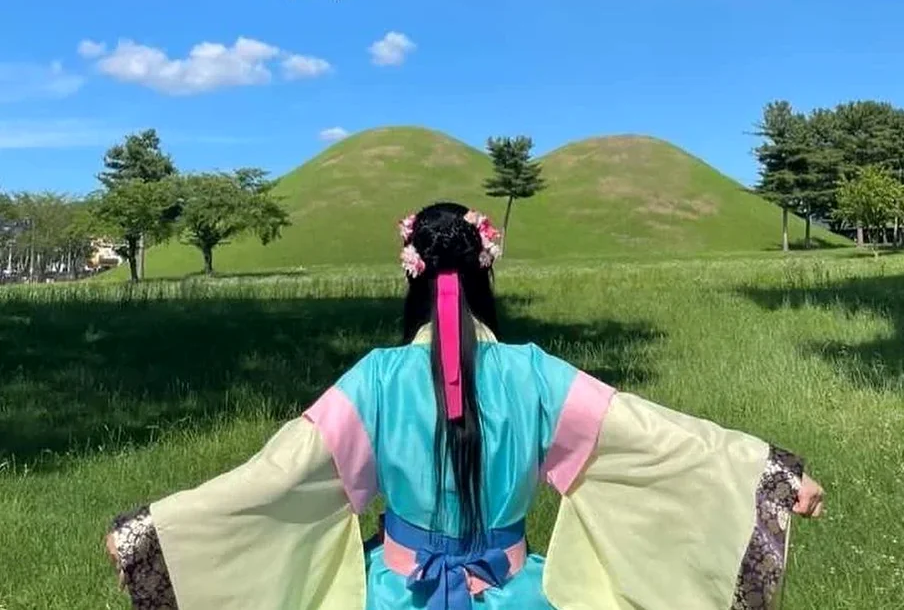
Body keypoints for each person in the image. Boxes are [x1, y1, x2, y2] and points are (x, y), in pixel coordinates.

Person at [106, 201, 824, 610]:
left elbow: (270, 477)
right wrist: (771, 476)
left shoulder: (378, 379)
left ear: (414, 277)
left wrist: (156, 531)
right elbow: (656, 437)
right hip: (512, 590)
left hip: (395, 592)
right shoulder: (534, 374)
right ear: (484, 271)